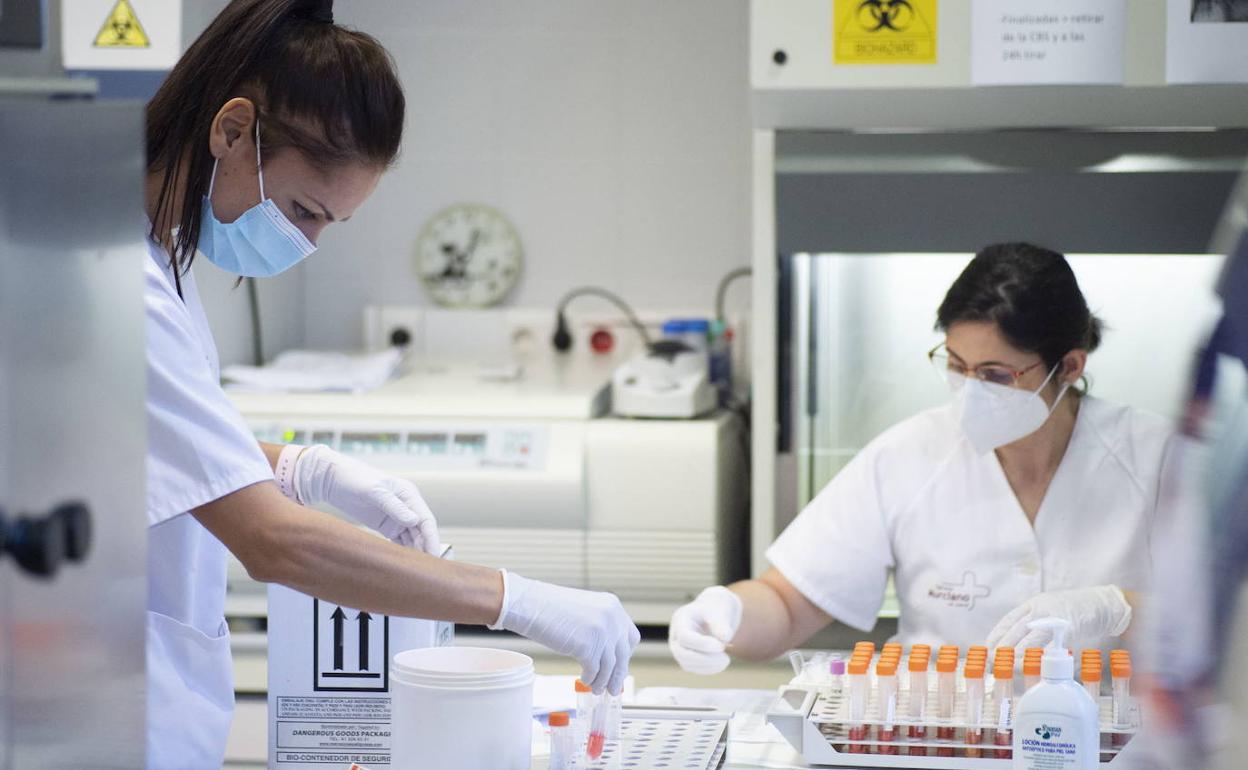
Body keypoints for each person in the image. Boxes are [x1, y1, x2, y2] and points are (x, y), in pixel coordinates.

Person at [143, 1, 638, 765]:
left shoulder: (157, 265)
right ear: (233, 131)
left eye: (326, 225)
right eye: (305, 210)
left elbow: (152, 439)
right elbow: (273, 544)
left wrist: (299, 467)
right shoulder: (126, 288)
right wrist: (517, 600)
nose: (304, 243)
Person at [670, 242, 1181, 675]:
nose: (972, 389)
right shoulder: (910, 454)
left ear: (1068, 366)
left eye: (997, 375)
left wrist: (1115, 611)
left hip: (1110, 746)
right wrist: (726, 614)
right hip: (939, 742)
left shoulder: (1157, 457)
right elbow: (785, 604)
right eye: (957, 365)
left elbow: (1227, 625)